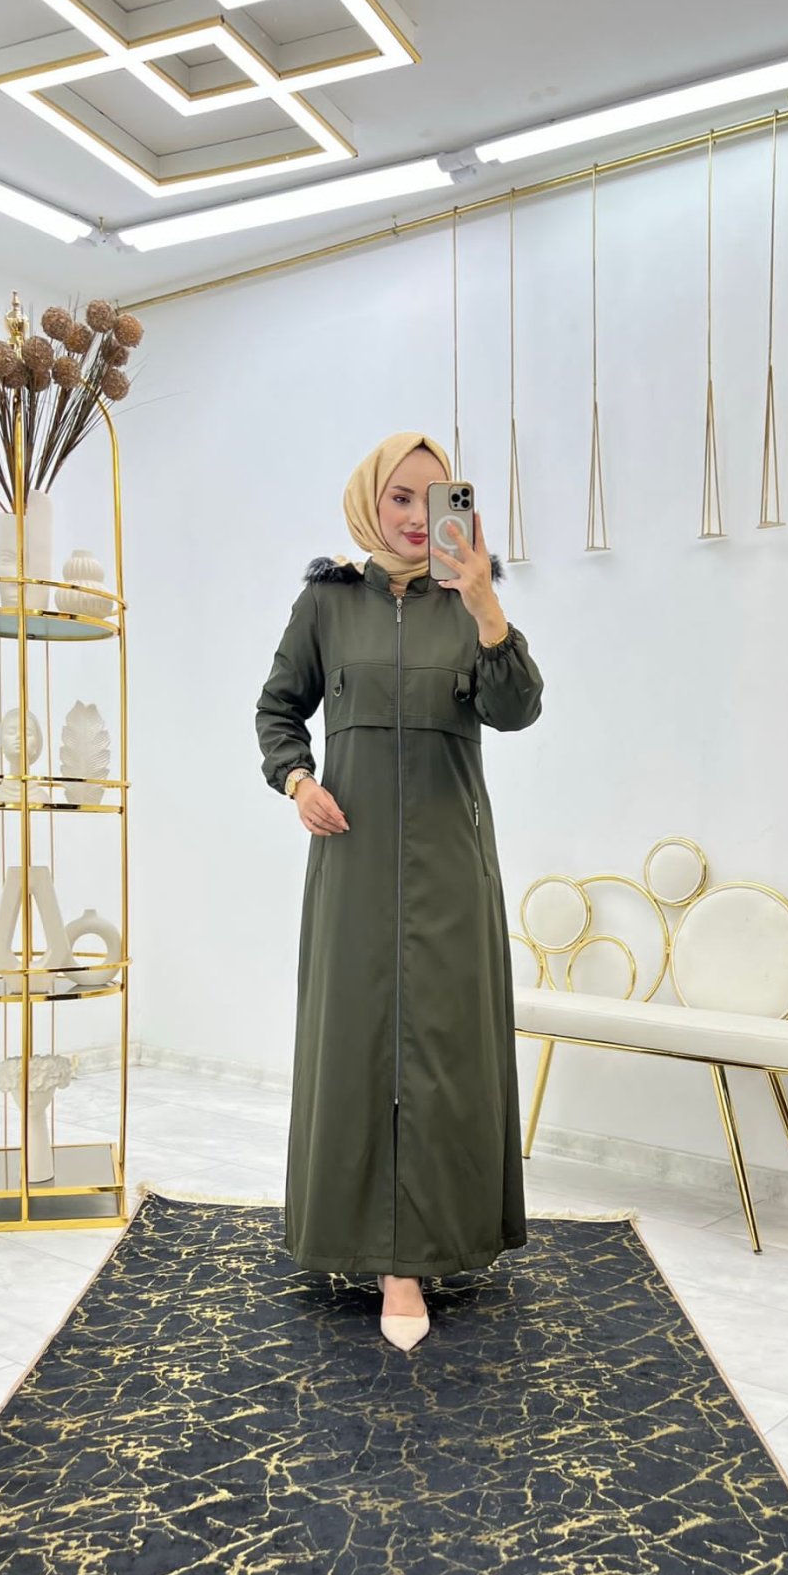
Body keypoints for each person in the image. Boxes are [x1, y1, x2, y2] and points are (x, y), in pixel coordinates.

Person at [255, 432, 544, 1351]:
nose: (419, 517)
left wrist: (485, 601)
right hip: (352, 856)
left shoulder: (470, 602)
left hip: (451, 865)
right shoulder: (327, 601)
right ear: (370, 502)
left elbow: (517, 708)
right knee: (356, 1042)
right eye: (400, 499)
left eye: (436, 498)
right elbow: (277, 707)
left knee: (446, 1049)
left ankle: (429, 1249)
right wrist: (298, 780)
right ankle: (375, 1254)